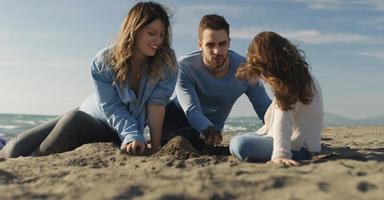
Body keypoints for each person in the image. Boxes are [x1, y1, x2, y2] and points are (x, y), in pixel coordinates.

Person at [0, 1, 177, 158]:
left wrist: (154, 146)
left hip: (101, 129)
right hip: (91, 113)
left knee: (73, 120)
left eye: (162, 35)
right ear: (134, 30)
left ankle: (35, 159)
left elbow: (157, 105)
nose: (158, 40)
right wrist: (133, 134)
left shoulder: (166, 64)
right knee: (13, 149)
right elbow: (111, 107)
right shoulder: (104, 61)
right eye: (152, 33)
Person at [161, 14, 271, 151]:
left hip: (211, 130)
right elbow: (192, 110)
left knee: (196, 140)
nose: (217, 51)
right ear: (200, 45)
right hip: (177, 117)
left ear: (229, 43)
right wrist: (206, 127)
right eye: (210, 45)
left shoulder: (246, 69)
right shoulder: (185, 67)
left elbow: (265, 108)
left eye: (222, 44)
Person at [229, 31, 324, 166]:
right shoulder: (299, 74)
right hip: (299, 143)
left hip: (298, 149)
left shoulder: (290, 84)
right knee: (242, 138)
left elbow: (283, 118)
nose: (263, 77)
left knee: (239, 144)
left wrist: (281, 154)